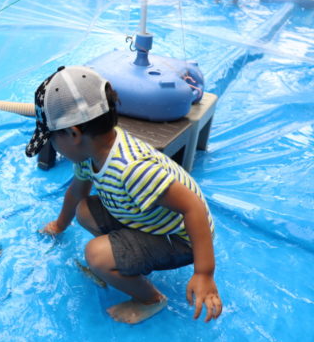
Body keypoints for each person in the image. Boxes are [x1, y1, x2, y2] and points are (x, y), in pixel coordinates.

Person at [25, 66, 222, 324]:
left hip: (182, 238)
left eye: (51, 138)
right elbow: (76, 192)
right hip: (144, 218)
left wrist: (204, 273)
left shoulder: (132, 170)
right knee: (84, 210)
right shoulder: (90, 152)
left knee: (96, 255)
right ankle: (127, 260)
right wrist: (59, 225)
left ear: (74, 134)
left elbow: (193, 206)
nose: (53, 146)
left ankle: (150, 299)